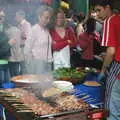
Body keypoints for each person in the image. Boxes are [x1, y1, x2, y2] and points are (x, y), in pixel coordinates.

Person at [95, 0, 120, 119]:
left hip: (118, 68)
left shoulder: (110, 21)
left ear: (107, 8)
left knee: (111, 110)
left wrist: (103, 71)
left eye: (99, 10)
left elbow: (111, 51)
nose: (98, 14)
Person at [24, 5, 53, 74]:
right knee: (38, 84)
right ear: (39, 17)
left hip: (48, 63)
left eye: (49, 18)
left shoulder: (47, 30)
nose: (48, 20)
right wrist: (31, 68)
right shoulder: (34, 30)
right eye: (46, 18)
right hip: (37, 65)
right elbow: (27, 50)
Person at [14, 10, 32, 74]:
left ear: (21, 16)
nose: (15, 18)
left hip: (25, 50)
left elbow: (29, 38)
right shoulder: (19, 25)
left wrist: (19, 34)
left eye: (16, 16)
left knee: (25, 67)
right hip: (20, 50)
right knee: (22, 67)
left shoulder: (27, 24)